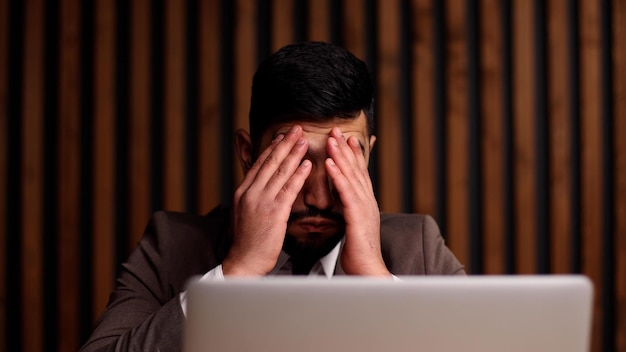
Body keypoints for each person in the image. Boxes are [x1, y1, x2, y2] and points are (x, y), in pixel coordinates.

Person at [81, 41, 464, 352]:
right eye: (294, 159)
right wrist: (238, 271)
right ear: (248, 153)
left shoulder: (419, 247)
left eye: (342, 159)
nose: (318, 198)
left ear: (368, 155)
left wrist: (377, 282)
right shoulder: (171, 246)